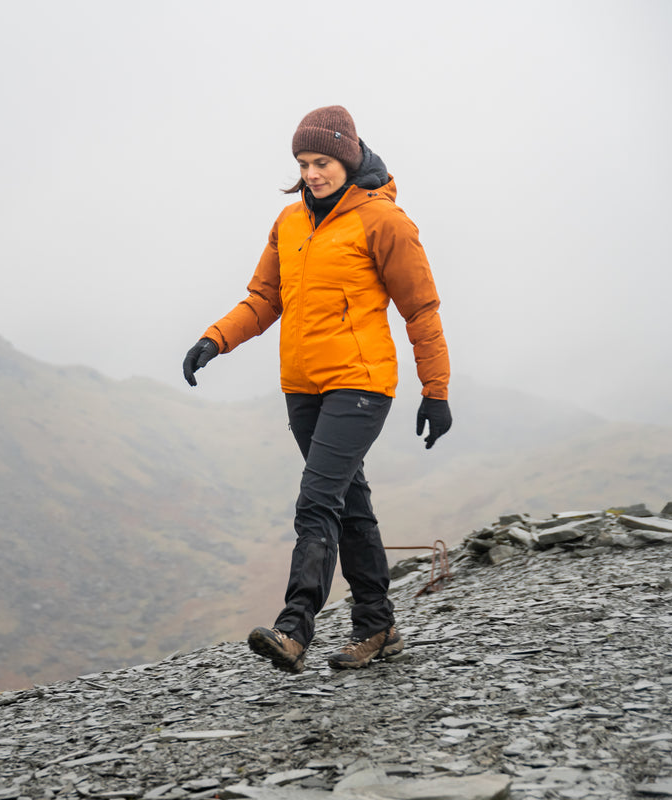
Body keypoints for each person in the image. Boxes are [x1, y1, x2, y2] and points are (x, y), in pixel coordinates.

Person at [182, 105, 451, 674]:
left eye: (322, 161)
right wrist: (215, 339)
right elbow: (264, 299)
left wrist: (436, 389)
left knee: (317, 501)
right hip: (302, 389)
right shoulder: (289, 222)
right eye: (303, 163)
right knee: (350, 504)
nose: (312, 173)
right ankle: (378, 627)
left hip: (361, 384)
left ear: (348, 159)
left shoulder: (385, 222)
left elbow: (420, 308)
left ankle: (294, 627)